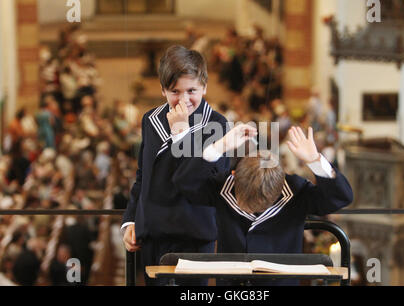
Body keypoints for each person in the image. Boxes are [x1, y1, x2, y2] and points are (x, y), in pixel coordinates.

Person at [173, 124, 353, 285]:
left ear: (282, 184)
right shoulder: (223, 187)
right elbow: (185, 182)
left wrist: (315, 160)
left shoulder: (296, 192)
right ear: (234, 176)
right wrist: (220, 147)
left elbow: (340, 197)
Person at [121, 45, 229, 286]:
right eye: (174, 91)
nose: (184, 100)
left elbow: (205, 183)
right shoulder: (150, 120)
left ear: (205, 87)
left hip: (194, 233)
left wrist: (181, 134)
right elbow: (143, 176)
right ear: (163, 90)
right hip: (153, 234)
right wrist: (130, 220)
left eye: (192, 90)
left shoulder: (218, 125)